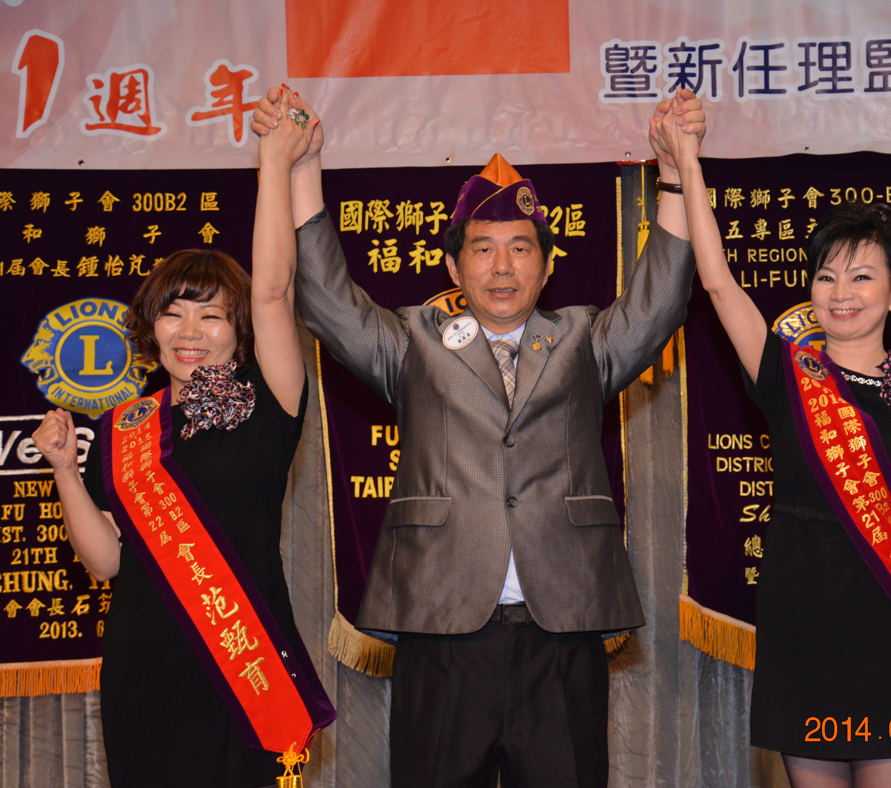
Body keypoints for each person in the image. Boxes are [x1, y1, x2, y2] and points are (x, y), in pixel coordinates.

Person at [250, 88, 704, 786]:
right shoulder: (414, 341)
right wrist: (305, 168)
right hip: (442, 623)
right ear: (454, 268)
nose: (502, 267)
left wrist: (673, 172)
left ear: (546, 265)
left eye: (520, 249)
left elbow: (660, 300)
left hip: (563, 624)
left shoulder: (582, 339)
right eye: (483, 249)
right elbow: (328, 302)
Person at [650, 113, 891, 787]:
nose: (841, 293)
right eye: (826, 277)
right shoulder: (784, 372)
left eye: (862, 277)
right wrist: (688, 163)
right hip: (801, 617)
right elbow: (717, 283)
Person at [31, 111, 335, 787]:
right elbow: (107, 562)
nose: (189, 331)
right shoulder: (126, 426)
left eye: (211, 315)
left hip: (243, 665)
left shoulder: (267, 400)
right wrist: (64, 471)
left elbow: (274, 291)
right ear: (152, 325)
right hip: (143, 670)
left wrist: (274, 162)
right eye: (173, 312)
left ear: (239, 330)